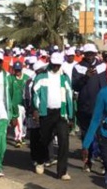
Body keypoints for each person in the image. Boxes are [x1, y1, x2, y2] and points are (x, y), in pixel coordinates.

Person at [31, 51, 75, 180]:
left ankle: (62, 171)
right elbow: (36, 93)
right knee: (45, 139)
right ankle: (40, 161)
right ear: (50, 63)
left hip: (61, 113)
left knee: (64, 141)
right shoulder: (42, 76)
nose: (56, 67)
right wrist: (36, 109)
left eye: (58, 65)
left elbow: (69, 97)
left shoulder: (64, 77)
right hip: (46, 112)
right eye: (54, 64)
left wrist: (71, 116)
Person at [73, 43, 107, 172]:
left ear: (95, 53)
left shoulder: (102, 66)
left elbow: (105, 86)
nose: (89, 56)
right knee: (86, 135)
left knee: (102, 136)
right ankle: (87, 162)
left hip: (99, 107)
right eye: (87, 53)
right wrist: (85, 77)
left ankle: (105, 163)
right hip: (84, 108)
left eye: (91, 53)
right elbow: (75, 86)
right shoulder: (77, 67)